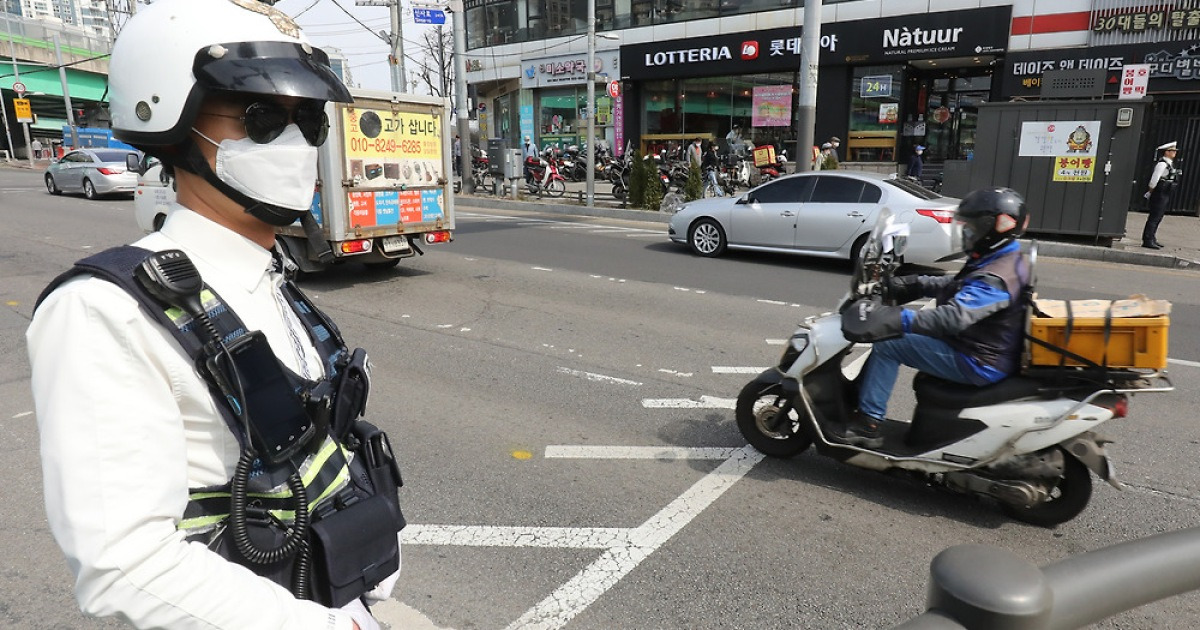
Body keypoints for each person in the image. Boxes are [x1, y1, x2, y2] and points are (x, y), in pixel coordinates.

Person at [27, 1, 403, 628]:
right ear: (172, 122)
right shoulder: (102, 310)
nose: (294, 142)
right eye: (260, 117)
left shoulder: (268, 275)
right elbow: (124, 564)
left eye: (307, 119)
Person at [838, 188, 1032, 448]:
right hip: (980, 345)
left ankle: (869, 424)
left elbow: (953, 317)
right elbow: (962, 283)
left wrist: (896, 318)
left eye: (972, 227)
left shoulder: (995, 278)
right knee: (891, 335)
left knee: (888, 343)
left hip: (977, 359)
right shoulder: (1005, 257)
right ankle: (863, 398)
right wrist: (915, 283)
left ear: (992, 229)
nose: (965, 233)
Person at [1142, 141, 1180, 249]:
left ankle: (1152, 237)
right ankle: (1148, 239)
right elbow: (1154, 180)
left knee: (1158, 217)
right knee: (1154, 217)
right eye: (1172, 151)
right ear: (1166, 152)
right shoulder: (1162, 164)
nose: (1174, 153)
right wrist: (1151, 191)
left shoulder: (1169, 163)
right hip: (1160, 193)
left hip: (1165, 193)